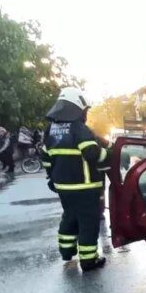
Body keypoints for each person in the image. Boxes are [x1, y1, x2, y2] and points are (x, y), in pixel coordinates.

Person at [42, 87, 109, 271]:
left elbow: (46, 158)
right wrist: (108, 154)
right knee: (88, 222)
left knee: (69, 217)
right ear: (78, 108)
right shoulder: (78, 128)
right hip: (85, 187)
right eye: (85, 110)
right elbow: (92, 154)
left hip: (63, 187)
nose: (86, 114)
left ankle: (66, 252)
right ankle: (89, 260)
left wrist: (51, 178)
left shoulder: (51, 130)